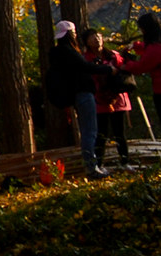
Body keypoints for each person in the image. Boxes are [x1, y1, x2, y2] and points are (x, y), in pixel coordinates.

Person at [46, 20, 116, 178]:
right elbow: (86, 67)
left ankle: (92, 166)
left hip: (75, 95)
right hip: (83, 93)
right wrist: (108, 69)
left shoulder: (57, 54)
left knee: (88, 131)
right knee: (90, 132)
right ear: (70, 34)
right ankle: (91, 167)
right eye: (74, 33)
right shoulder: (68, 52)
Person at [117, 11, 161, 166]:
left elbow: (142, 66)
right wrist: (135, 46)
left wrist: (124, 65)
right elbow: (148, 51)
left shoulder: (155, 49)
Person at [83, 27, 133, 169]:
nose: (96, 39)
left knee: (120, 133)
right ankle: (98, 164)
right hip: (99, 100)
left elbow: (124, 69)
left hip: (117, 99)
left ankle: (125, 162)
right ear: (86, 42)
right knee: (101, 133)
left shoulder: (113, 55)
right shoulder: (86, 59)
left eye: (98, 36)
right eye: (92, 37)